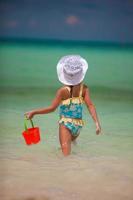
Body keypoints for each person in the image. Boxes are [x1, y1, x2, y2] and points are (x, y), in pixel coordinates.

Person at [25, 55, 101, 156]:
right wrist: (97, 123)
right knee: (68, 148)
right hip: (78, 125)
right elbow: (90, 105)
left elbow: (52, 108)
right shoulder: (85, 89)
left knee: (66, 156)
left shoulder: (62, 91)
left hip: (66, 125)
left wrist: (34, 112)